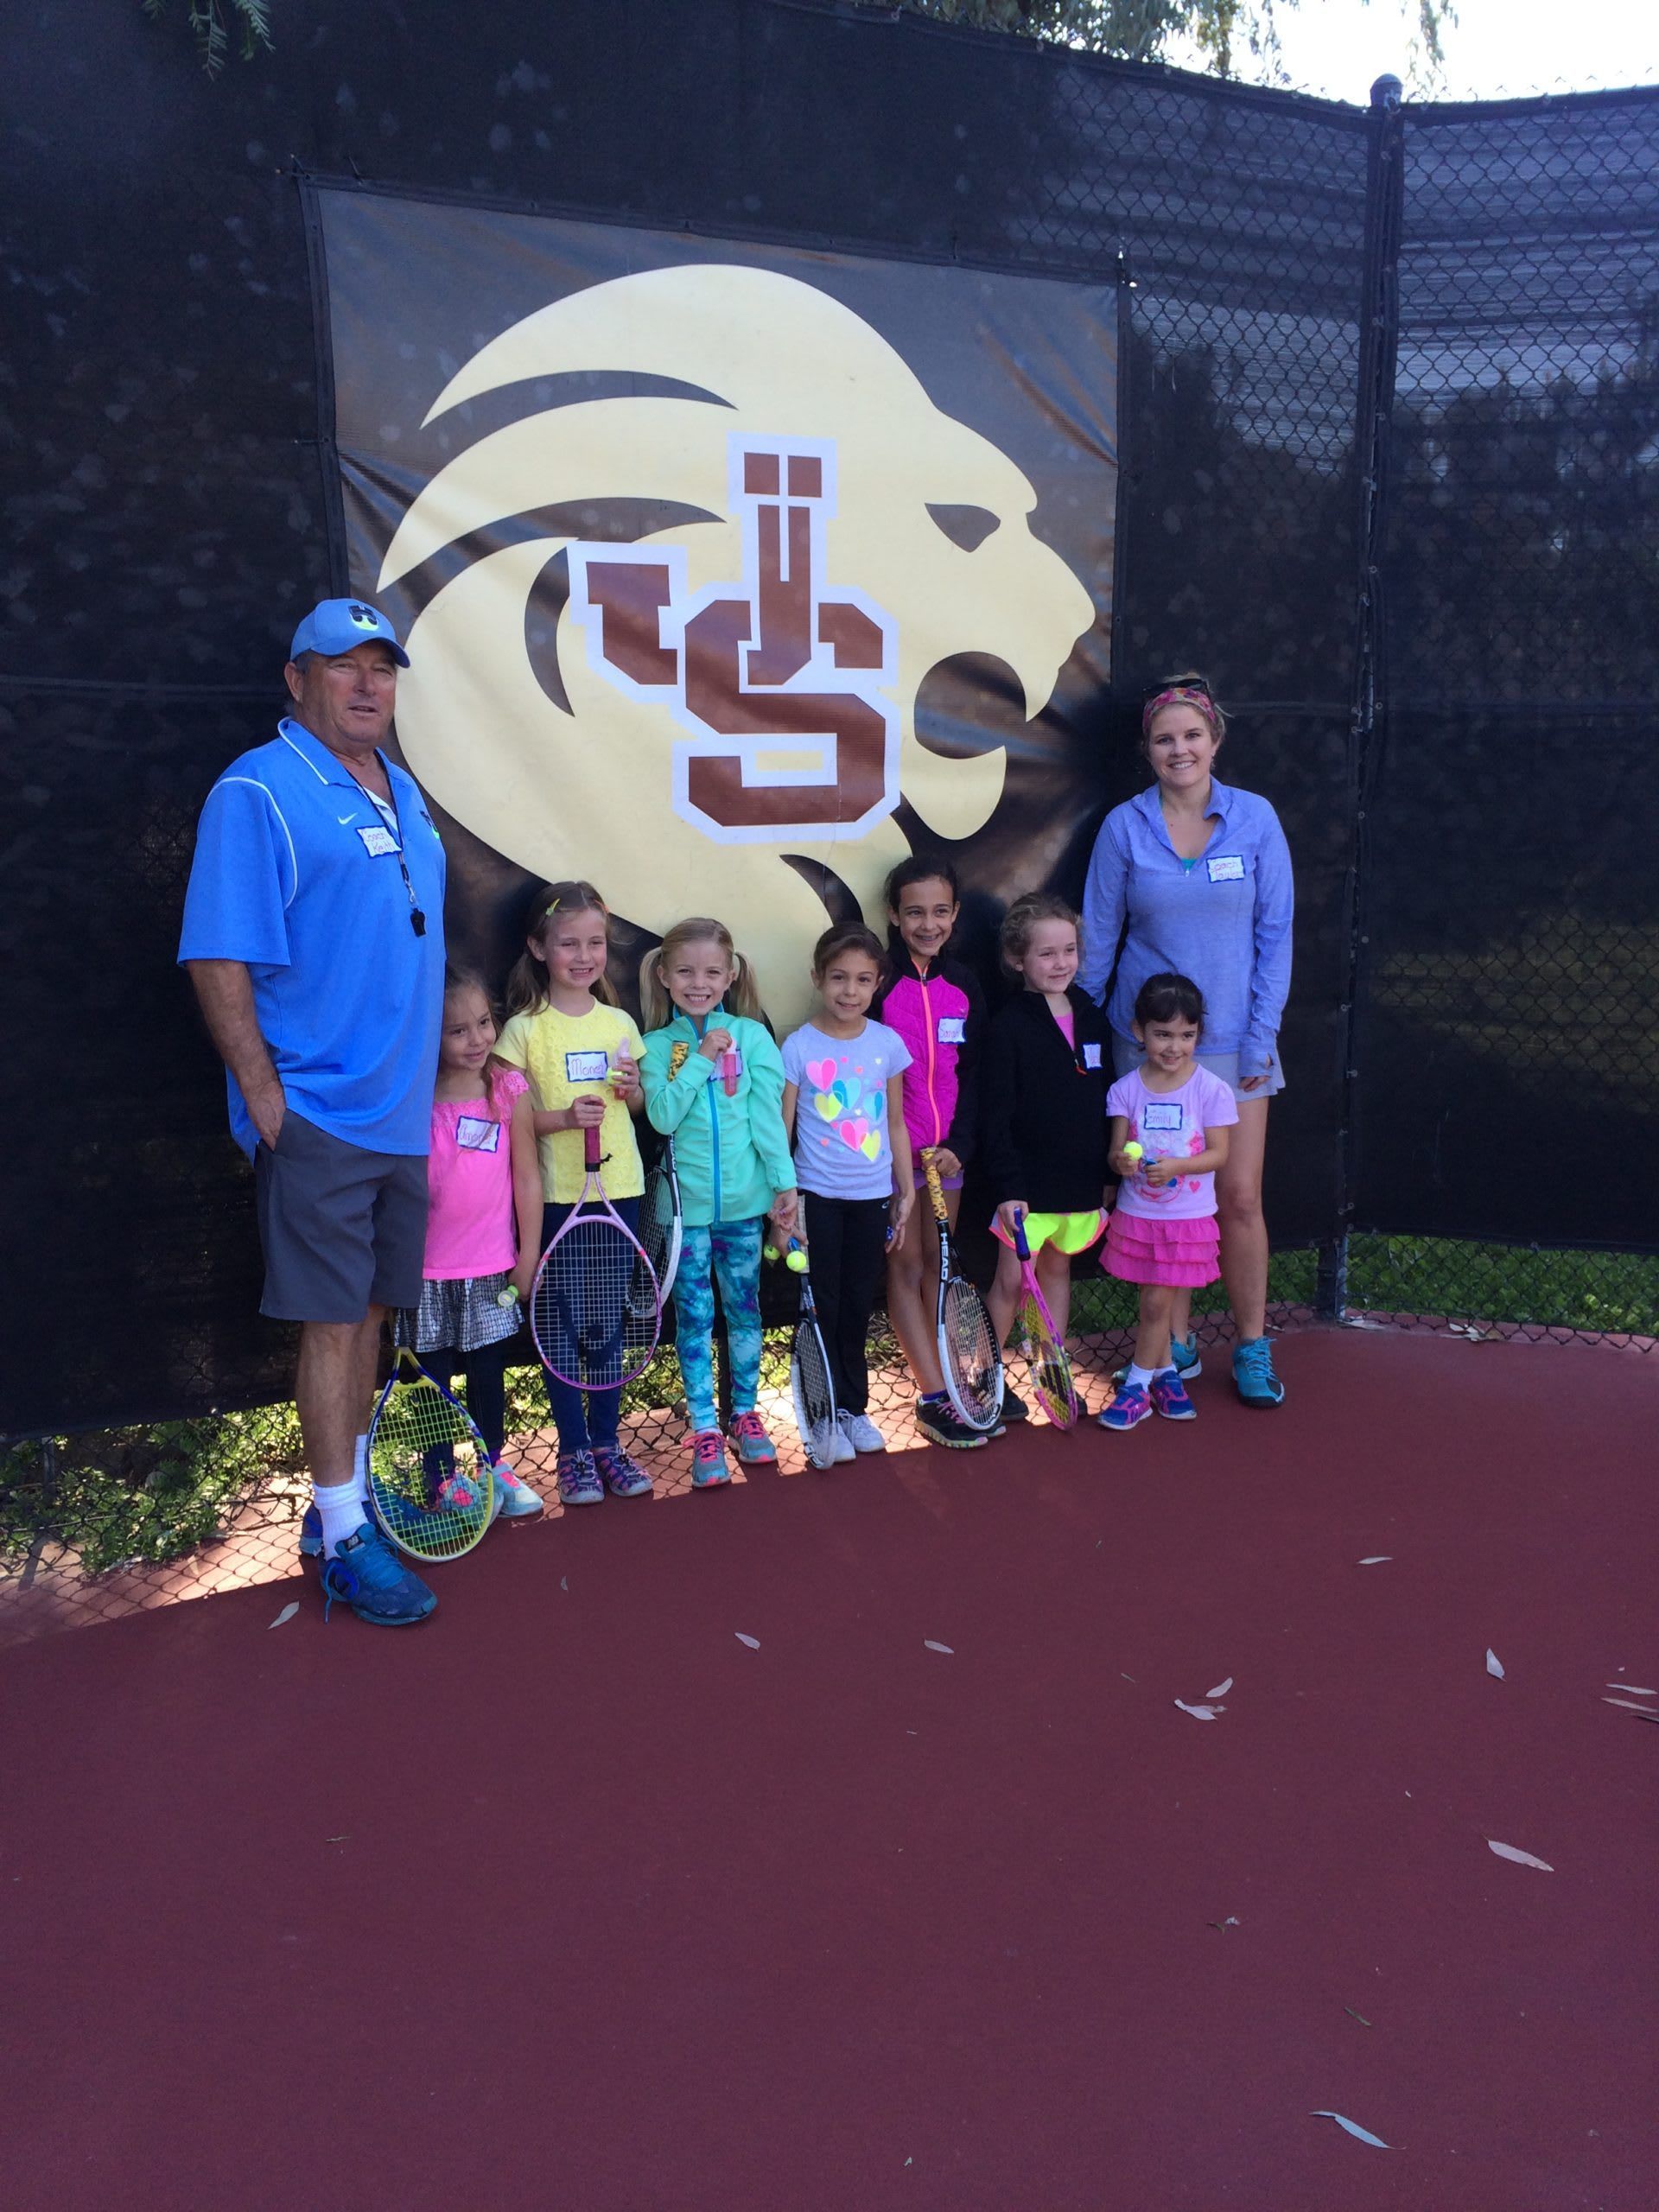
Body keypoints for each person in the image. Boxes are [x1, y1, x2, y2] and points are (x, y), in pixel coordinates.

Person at [178, 597, 446, 1626]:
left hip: (399, 1117)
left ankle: (347, 1504)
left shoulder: (403, 789)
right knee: (333, 1325)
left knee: (369, 1312)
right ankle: (342, 1540)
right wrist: (265, 1099)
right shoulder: (258, 790)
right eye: (345, 666)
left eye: (383, 667)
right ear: (299, 680)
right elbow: (217, 952)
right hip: (321, 1118)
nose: (370, 684)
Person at [1078, 673, 1294, 1408]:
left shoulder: (1257, 820)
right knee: (1157, 1191)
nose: (1180, 749)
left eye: (1192, 735)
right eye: (1165, 738)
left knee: (1235, 1197)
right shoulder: (1123, 827)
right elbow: (1100, 937)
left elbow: (1275, 936)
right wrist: (1084, 1035)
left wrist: (1261, 1037)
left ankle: (1253, 1346)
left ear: (1215, 741)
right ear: (1148, 749)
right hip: (1145, 1046)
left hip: (1237, 1043)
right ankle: (1171, 1345)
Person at [492, 880, 654, 1508]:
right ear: (538, 947)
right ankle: (573, 1453)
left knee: (608, 1325)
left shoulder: (618, 1022)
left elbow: (636, 1105)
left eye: (595, 943)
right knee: (558, 1331)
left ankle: (608, 1444)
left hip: (621, 1193)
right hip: (558, 1199)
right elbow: (513, 1122)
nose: (584, 955)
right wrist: (564, 1118)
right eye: (568, 944)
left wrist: (634, 1087)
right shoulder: (522, 1033)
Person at [639, 918, 799, 1489]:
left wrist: (784, 1185)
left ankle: (746, 1414)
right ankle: (705, 1427)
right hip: (682, 1213)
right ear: (663, 975)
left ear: (731, 974)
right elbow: (661, 1115)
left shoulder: (753, 1037)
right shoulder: (656, 1046)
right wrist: (703, 1054)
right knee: (695, 1317)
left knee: (745, 1310)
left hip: (742, 1208)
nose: (698, 982)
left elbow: (767, 1122)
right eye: (685, 971)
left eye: (711, 971)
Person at [397, 971, 545, 1514]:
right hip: (424, 1272)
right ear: (427, 1035)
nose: (479, 1039)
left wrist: (527, 1256)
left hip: (490, 1268)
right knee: (431, 1382)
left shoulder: (508, 1088)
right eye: (458, 1031)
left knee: (487, 1371)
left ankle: (493, 1467)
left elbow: (528, 1177)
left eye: (484, 1022)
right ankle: (441, 1481)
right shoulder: (410, 1093)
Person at [780, 925, 915, 1460]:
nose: (849, 991)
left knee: (859, 1304)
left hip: (871, 1199)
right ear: (817, 978)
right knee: (823, 1305)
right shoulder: (798, 1046)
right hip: (816, 1198)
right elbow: (783, 1127)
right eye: (838, 978)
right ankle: (820, 1413)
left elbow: (898, 1126)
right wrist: (784, 1202)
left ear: (878, 983)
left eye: (862, 980)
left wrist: (904, 1191)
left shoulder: (887, 1044)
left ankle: (852, 1411)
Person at [874, 856, 991, 1450]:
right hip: (894, 1159)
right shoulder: (878, 983)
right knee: (909, 1264)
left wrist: (959, 1147)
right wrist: (898, 1157)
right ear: (893, 915)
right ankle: (932, 1395)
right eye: (914, 911)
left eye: (940, 911)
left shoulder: (965, 984)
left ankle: (955, 1381)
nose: (928, 923)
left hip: (951, 1161)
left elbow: (972, 1076)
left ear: (955, 915)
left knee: (941, 1271)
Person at [980, 893, 1112, 1419]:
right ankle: (984, 1380)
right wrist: (1010, 1188)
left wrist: (1104, 1174)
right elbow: (996, 1119)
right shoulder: (1007, 1028)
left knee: (1057, 1274)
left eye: (1069, 951)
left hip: (1077, 1185)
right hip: (1025, 1191)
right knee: (1011, 1282)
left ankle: (1053, 1373)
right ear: (1018, 960)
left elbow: (1106, 1104)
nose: (1061, 963)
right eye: (1046, 954)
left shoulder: (1094, 1019)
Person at [1096, 975, 1237, 1433]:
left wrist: (1176, 1166)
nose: (1174, 1046)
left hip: (1187, 1219)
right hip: (1139, 1217)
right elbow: (1117, 1154)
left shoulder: (1211, 1089)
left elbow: (1219, 1154)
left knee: (1158, 1305)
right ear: (1139, 1032)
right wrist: (1122, 1162)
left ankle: (1135, 1387)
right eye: (1162, 1034)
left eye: (1186, 1035)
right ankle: (1166, 1377)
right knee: (1151, 1304)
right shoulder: (1125, 1090)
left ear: (1199, 1035)